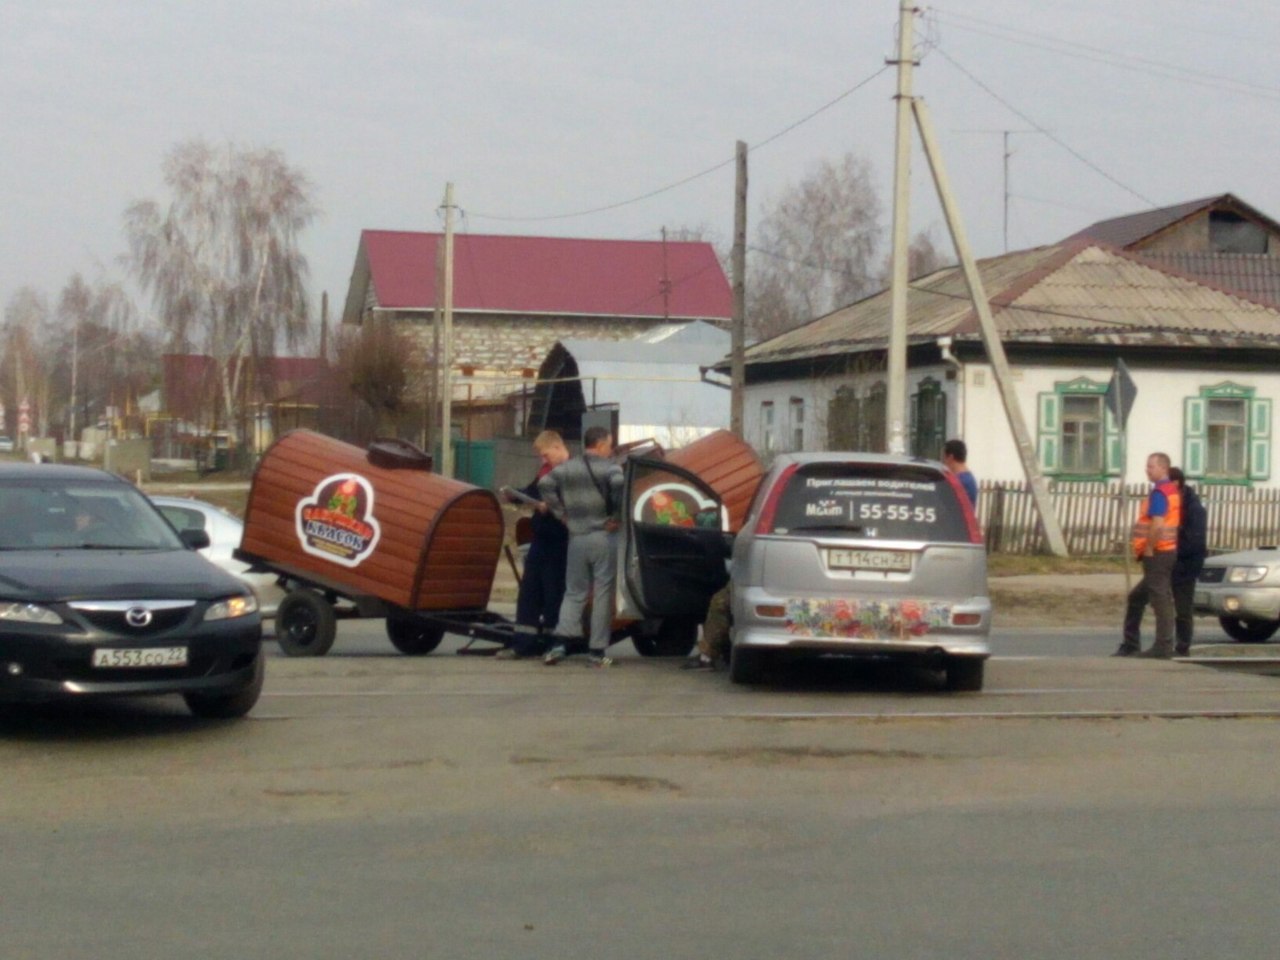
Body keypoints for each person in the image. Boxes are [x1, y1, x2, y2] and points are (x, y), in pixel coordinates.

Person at [538, 426, 625, 668]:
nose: (610, 449)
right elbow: (618, 485)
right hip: (602, 536)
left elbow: (545, 483)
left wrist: (561, 513)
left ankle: (559, 644)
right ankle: (597, 651)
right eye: (609, 444)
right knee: (602, 592)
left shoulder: (567, 468)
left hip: (576, 537)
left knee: (574, 591)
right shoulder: (611, 468)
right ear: (600, 445)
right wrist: (615, 516)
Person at [1119, 467, 1207, 658]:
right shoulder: (1168, 500)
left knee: (1182, 609)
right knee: (1137, 598)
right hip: (1164, 562)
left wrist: (1170, 554)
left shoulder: (1194, 509)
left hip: (1184, 566)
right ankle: (1130, 643)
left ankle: (1181, 648)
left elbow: (1195, 541)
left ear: (1178, 484)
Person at [497, 430, 570, 659]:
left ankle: (552, 642)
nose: (543, 460)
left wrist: (551, 507)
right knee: (529, 590)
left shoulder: (570, 473)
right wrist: (515, 495)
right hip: (540, 539)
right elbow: (532, 492)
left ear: (558, 448)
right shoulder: (546, 472)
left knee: (553, 592)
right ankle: (523, 643)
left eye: (545, 455)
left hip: (559, 540)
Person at [1114, 452, 1181, 659]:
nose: (1147, 470)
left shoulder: (1160, 492)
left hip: (1158, 552)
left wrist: (1149, 548)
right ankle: (1132, 643)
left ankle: (1162, 646)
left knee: (1159, 599)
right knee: (1138, 598)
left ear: (1163, 468)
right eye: (1147, 466)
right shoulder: (1171, 490)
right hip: (1166, 550)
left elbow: (1158, 524)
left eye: (1151, 466)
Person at [942, 438, 978, 508]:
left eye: (944, 457)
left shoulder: (959, 481)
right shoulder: (969, 479)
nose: (943, 462)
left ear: (950, 457)